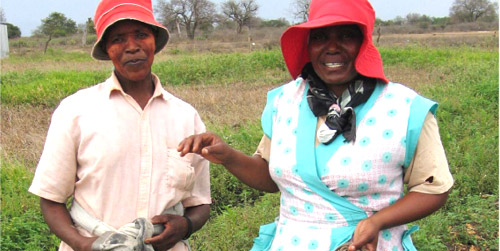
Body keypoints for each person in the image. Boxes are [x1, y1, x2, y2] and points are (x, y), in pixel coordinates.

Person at [177, 0, 453, 250]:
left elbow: (434, 187)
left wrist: (377, 222)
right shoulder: (285, 102)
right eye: (320, 37)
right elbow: (270, 176)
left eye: (346, 34)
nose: (332, 46)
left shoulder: (405, 108)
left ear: (364, 42)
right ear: (308, 45)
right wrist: (228, 157)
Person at [28, 0, 211, 250]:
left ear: (154, 41)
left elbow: (200, 203)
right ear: (106, 49)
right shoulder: (76, 111)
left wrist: (185, 226)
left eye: (140, 35)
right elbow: (51, 200)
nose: (132, 47)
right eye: (118, 39)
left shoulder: (185, 116)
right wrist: (84, 245)